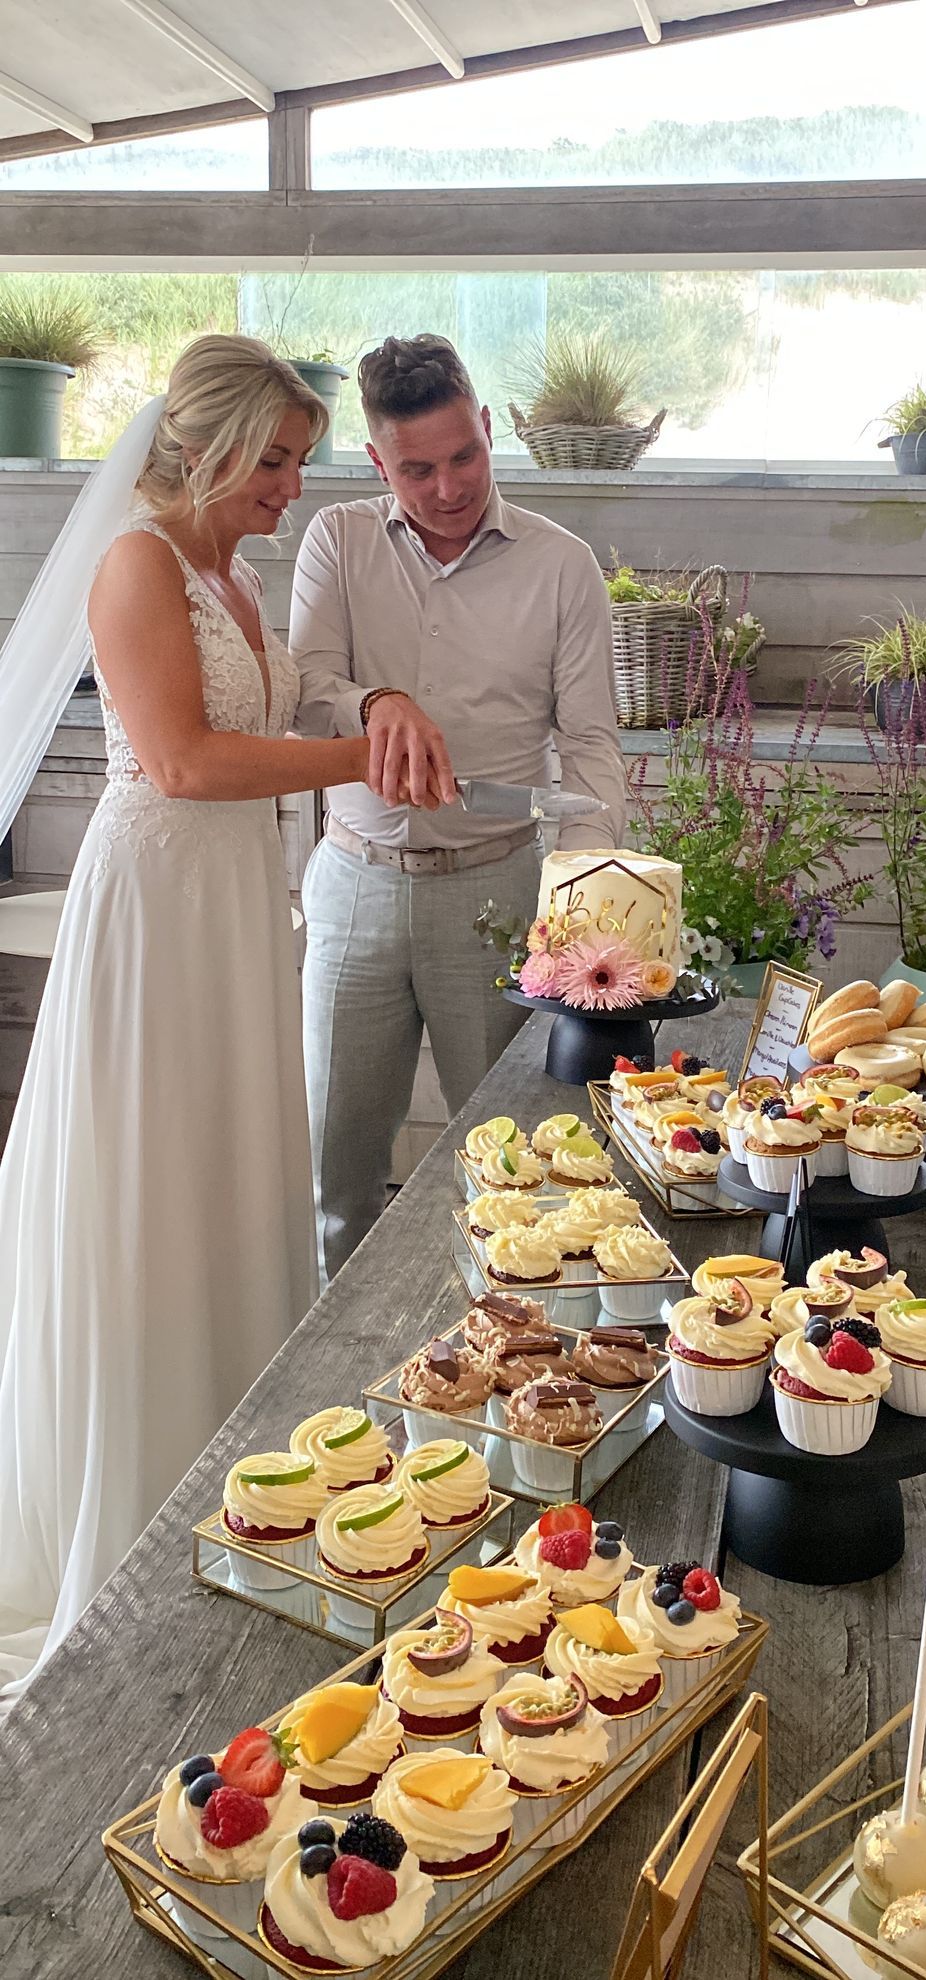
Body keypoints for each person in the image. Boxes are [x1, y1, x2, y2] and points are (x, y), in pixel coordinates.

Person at [0, 335, 379, 1693]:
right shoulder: (137, 564)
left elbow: (265, 725)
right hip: (157, 906)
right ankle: (127, 1499)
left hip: (233, 905)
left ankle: (242, 1478)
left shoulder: (240, 576)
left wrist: (364, 715)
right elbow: (180, 758)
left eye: (298, 460)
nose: (291, 486)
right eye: (273, 460)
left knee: (230, 1166)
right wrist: (359, 758)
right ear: (206, 446)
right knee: (153, 1173)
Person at [290, 333, 626, 1281]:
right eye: (417, 470)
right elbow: (306, 691)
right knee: (335, 1176)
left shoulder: (562, 566)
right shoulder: (337, 541)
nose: (448, 488)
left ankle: (504, 1350)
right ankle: (338, 1366)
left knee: (515, 1176)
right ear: (376, 462)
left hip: (497, 896)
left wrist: (586, 902)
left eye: (465, 456)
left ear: (485, 426)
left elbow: (592, 746)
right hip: (352, 886)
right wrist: (375, 703)